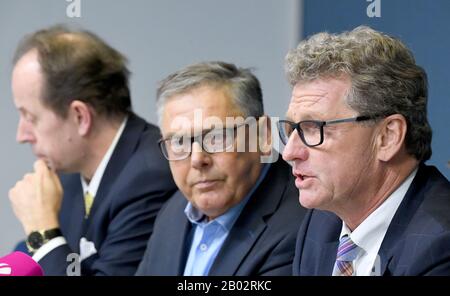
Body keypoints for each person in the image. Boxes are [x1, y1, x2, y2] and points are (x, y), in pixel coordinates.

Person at [278, 26, 450, 276]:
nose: (290, 152)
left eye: (313, 127)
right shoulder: (321, 223)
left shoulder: (440, 247)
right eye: (292, 128)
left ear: (387, 137)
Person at [8, 25, 177, 275]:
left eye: (30, 117)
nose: (20, 135)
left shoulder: (151, 178)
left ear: (80, 116)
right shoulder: (69, 173)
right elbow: (25, 258)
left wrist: (41, 229)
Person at [136, 61, 307, 275]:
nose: (198, 159)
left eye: (217, 137)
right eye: (179, 142)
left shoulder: (303, 226)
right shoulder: (173, 211)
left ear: (262, 135)